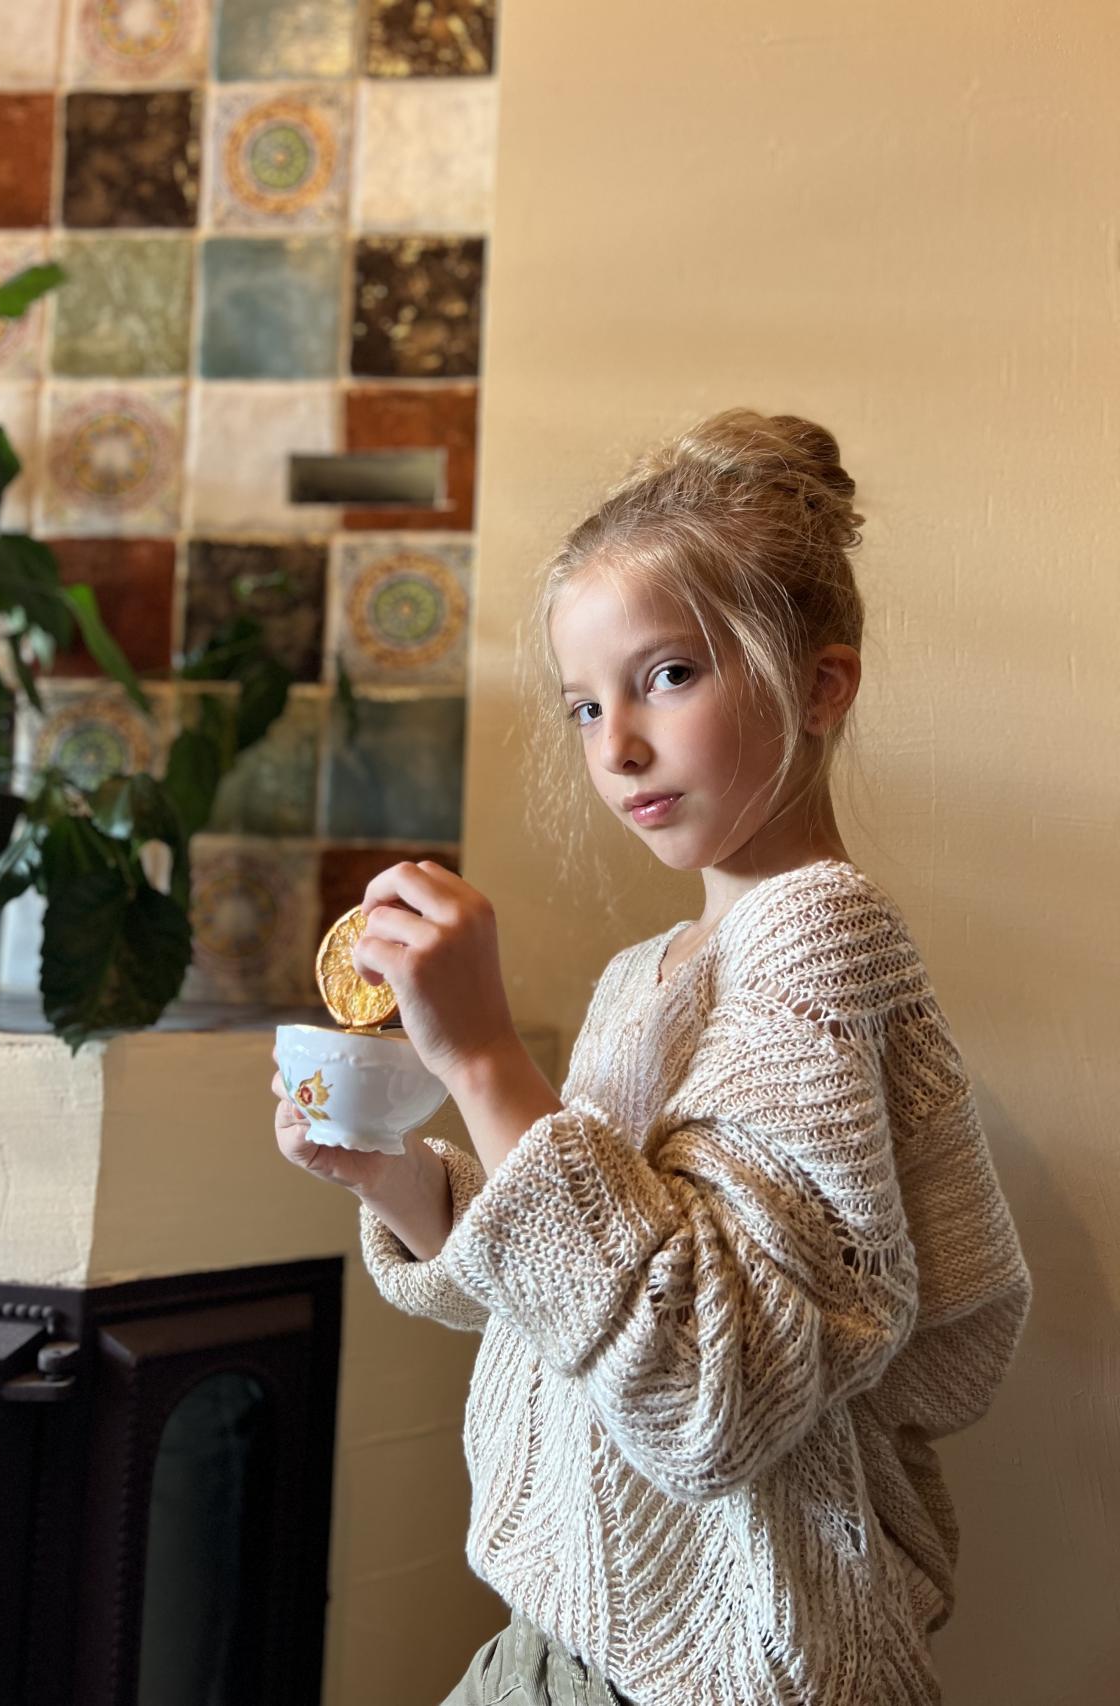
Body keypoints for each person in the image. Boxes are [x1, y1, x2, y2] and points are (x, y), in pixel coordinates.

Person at [271, 409, 1033, 1706]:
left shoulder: (820, 940)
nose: (615, 743)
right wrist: (400, 1181)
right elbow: (586, 1295)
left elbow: (706, 1390)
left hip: (731, 1664)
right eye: (584, 703)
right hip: (563, 1637)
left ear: (822, 687)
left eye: (667, 675)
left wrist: (485, 1054)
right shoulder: (650, 974)